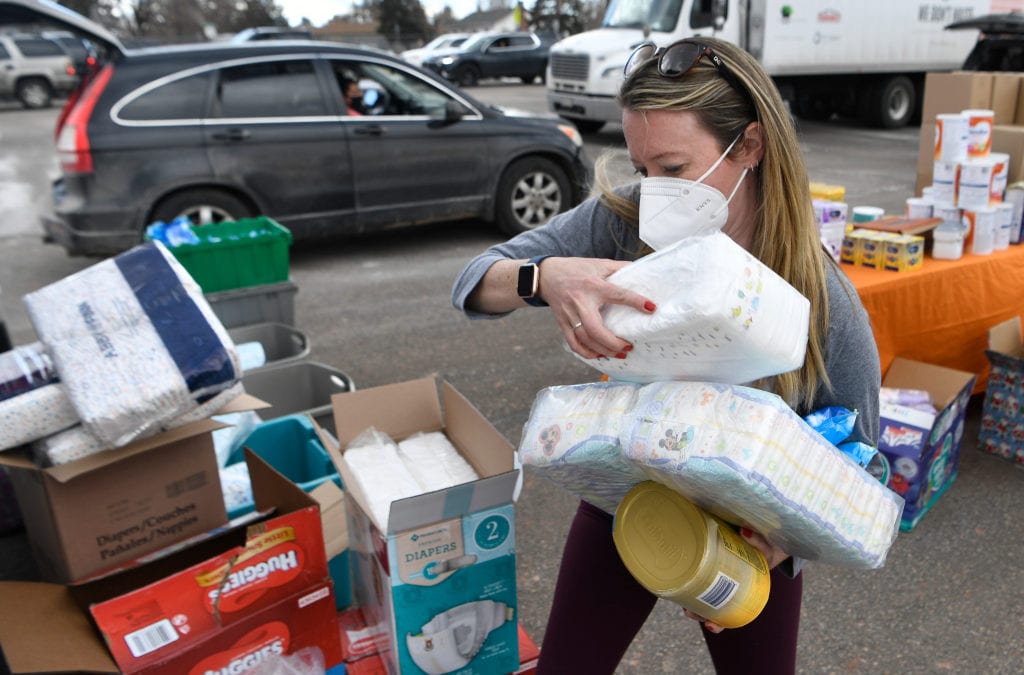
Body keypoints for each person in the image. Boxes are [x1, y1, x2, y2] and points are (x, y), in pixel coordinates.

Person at [451, 36, 881, 674]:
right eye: (641, 167)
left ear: (751, 146)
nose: (653, 192)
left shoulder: (821, 300)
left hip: (742, 537)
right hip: (625, 497)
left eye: (675, 170)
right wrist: (544, 278)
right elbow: (471, 284)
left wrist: (781, 544)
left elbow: (862, 471)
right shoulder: (624, 223)